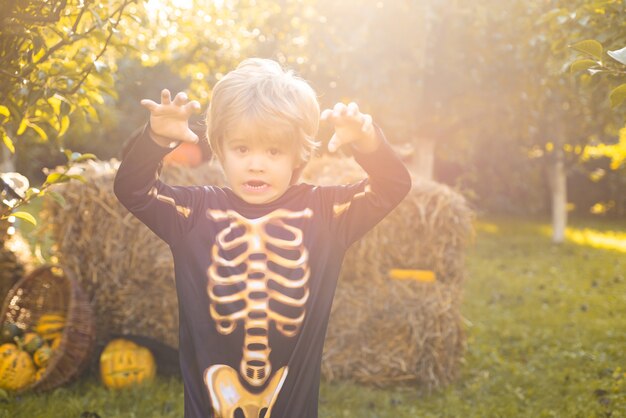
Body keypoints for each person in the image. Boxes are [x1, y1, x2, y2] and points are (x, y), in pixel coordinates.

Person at [113, 58, 411, 418]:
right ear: (220, 148)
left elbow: (393, 185)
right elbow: (133, 189)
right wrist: (156, 140)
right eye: (242, 149)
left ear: (298, 153)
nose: (257, 164)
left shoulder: (326, 214)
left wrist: (368, 141)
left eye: (273, 151)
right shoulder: (192, 213)